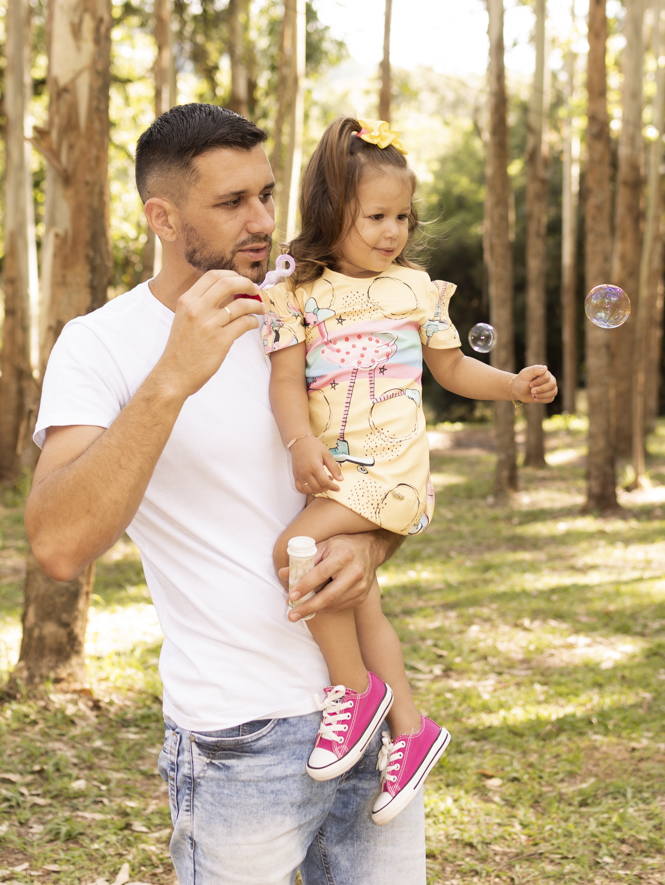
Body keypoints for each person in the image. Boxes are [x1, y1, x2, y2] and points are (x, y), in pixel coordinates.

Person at [25, 104, 427, 885]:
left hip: (371, 717)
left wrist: (373, 543)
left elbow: (397, 469)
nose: (262, 221)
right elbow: (57, 544)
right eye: (231, 202)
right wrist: (172, 375)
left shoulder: (313, 308)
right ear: (162, 216)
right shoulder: (99, 345)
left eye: (268, 195)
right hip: (241, 741)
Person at [262, 117, 558, 825]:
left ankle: (353, 690)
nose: (392, 231)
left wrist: (513, 384)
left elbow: (452, 367)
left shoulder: (416, 290)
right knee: (350, 586)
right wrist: (299, 441)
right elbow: (282, 382)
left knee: (291, 552)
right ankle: (410, 725)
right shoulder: (292, 293)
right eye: (375, 216)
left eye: (401, 216)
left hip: (392, 470)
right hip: (338, 471)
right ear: (332, 209)